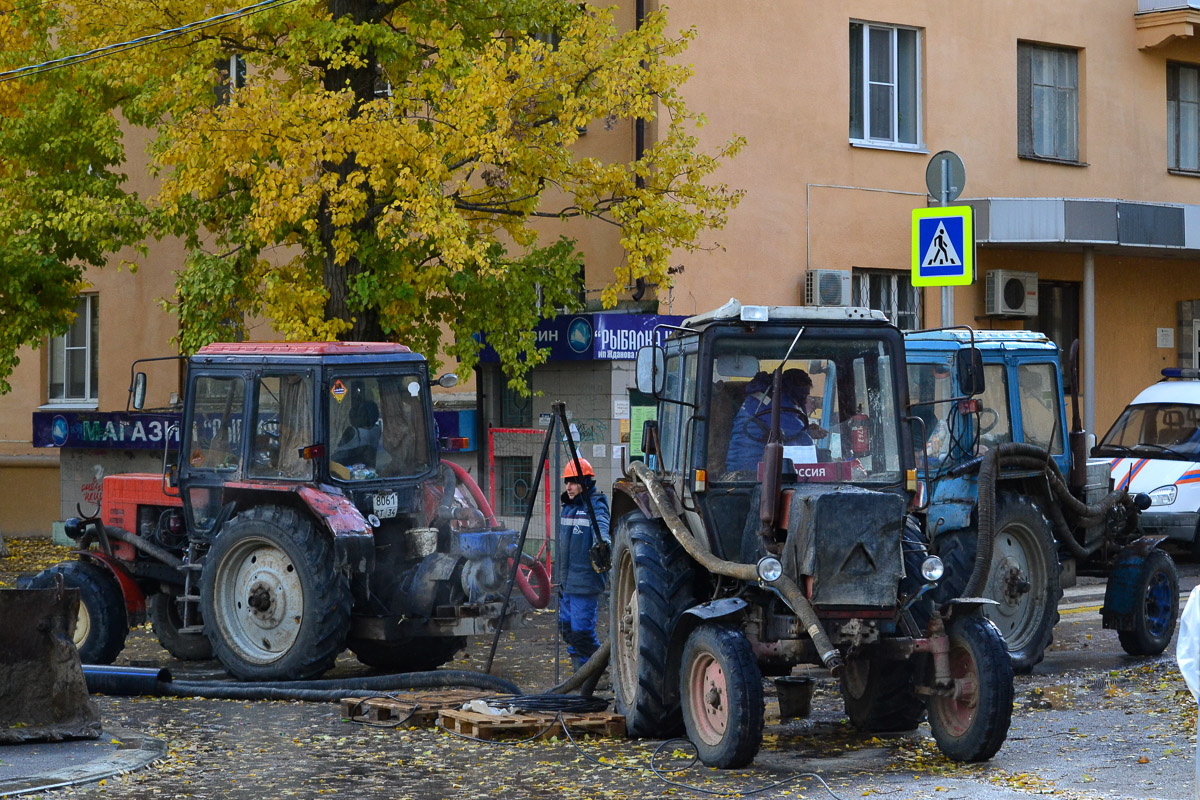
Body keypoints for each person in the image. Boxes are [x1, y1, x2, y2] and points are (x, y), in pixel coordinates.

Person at [557, 457, 610, 672]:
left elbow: (602, 526)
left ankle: (597, 672)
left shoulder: (595, 506)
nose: (568, 487)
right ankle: (579, 668)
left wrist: (603, 542)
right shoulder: (568, 507)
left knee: (582, 631)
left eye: (573, 482)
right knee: (567, 628)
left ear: (586, 482)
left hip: (584, 581)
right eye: (567, 482)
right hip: (566, 581)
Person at [725, 368, 826, 472]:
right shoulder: (778, 404)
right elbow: (801, 441)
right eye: (804, 395)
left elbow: (781, 429)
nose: (804, 400)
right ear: (796, 390)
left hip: (737, 464)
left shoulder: (762, 397)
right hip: (750, 469)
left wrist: (807, 430)